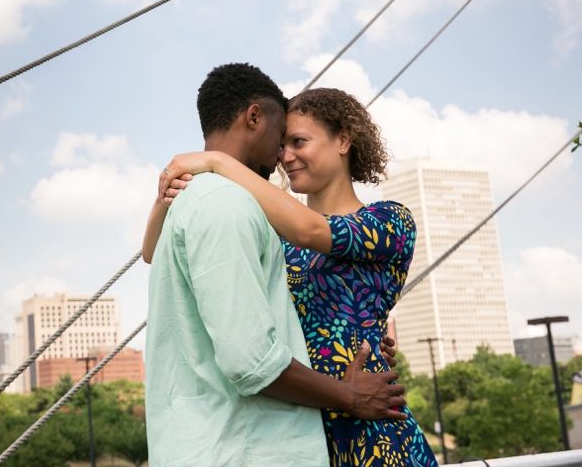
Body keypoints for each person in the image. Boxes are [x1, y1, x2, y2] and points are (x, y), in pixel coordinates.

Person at [146, 80, 437, 467]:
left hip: (367, 420)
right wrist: (165, 194)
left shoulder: (389, 220)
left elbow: (313, 229)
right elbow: (154, 252)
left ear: (343, 141)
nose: (284, 156)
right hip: (303, 422)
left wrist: (218, 162)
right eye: (281, 145)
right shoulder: (276, 236)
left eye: (298, 142)